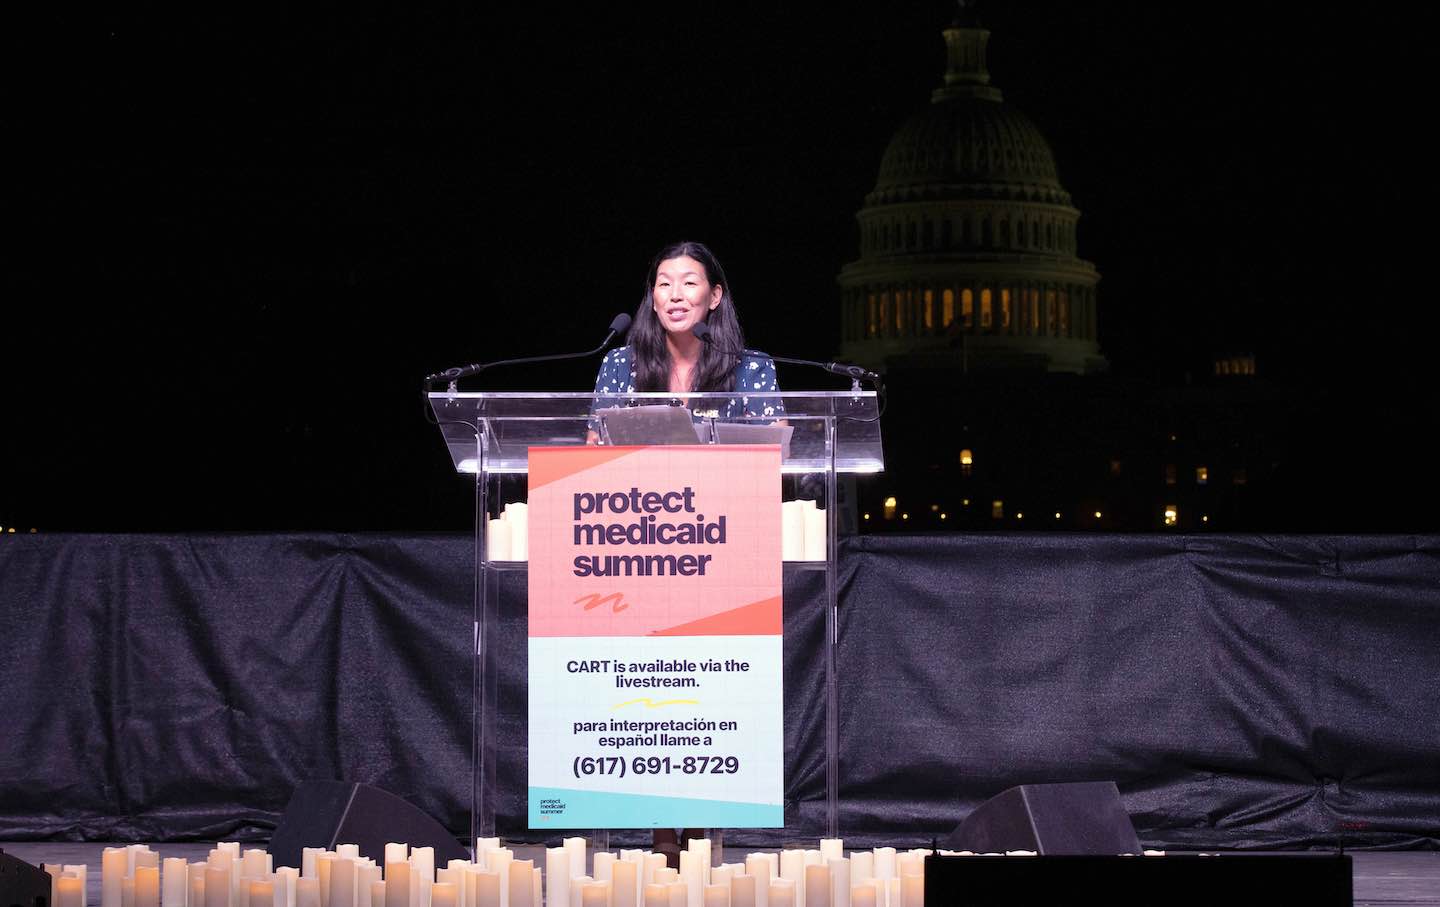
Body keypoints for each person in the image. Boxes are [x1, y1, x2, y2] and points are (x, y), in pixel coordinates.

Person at [587, 241, 780, 444]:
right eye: (665, 284)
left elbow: (775, 452)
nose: (675, 295)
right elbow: (595, 448)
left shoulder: (751, 367)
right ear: (653, 299)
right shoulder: (619, 364)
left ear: (714, 296)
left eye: (689, 283)